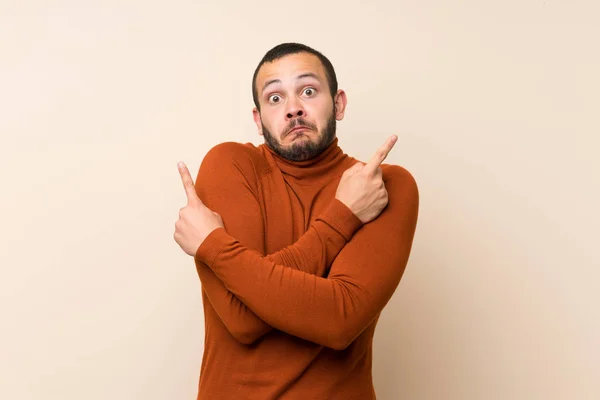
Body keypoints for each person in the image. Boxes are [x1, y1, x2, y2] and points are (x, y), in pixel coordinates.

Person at [173, 42, 419, 399]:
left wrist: (214, 246)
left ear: (339, 104)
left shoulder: (383, 186)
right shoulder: (231, 165)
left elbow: (340, 319)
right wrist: (345, 217)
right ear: (258, 120)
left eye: (308, 91)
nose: (293, 109)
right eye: (275, 98)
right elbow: (242, 319)